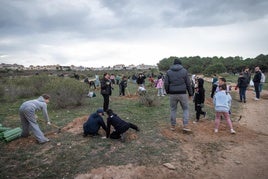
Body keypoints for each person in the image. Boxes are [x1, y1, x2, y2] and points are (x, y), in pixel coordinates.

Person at [164, 58, 193, 131]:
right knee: (185, 109)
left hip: (172, 93)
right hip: (182, 93)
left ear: (173, 64)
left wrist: (168, 91)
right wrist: (190, 93)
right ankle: (185, 126)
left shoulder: (168, 72)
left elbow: (166, 83)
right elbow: (188, 83)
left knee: (173, 109)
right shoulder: (184, 71)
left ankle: (173, 126)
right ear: (180, 64)